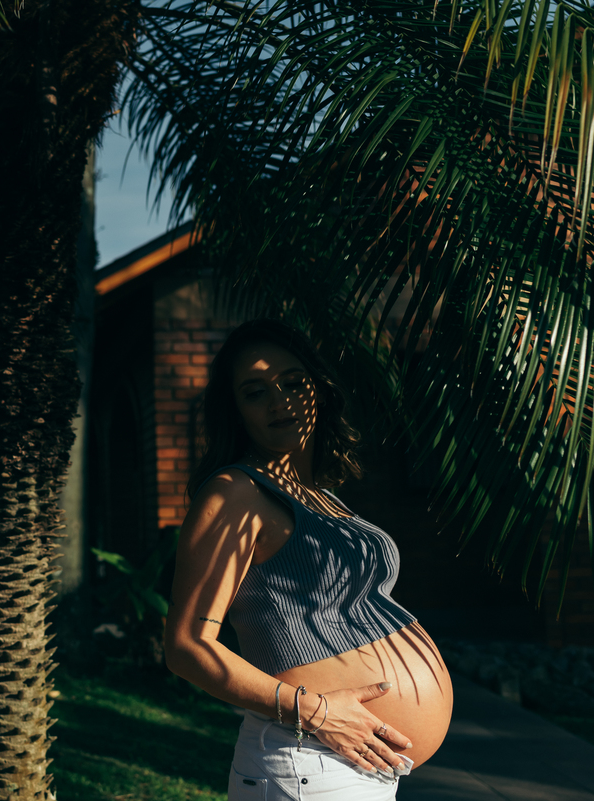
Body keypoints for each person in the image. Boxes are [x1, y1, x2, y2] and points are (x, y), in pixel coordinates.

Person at [164, 319, 453, 800]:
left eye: (293, 383)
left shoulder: (321, 495)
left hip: (350, 764)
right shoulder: (234, 493)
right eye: (256, 392)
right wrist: (316, 713)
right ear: (237, 411)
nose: (279, 400)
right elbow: (187, 646)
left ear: (319, 389)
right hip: (311, 759)